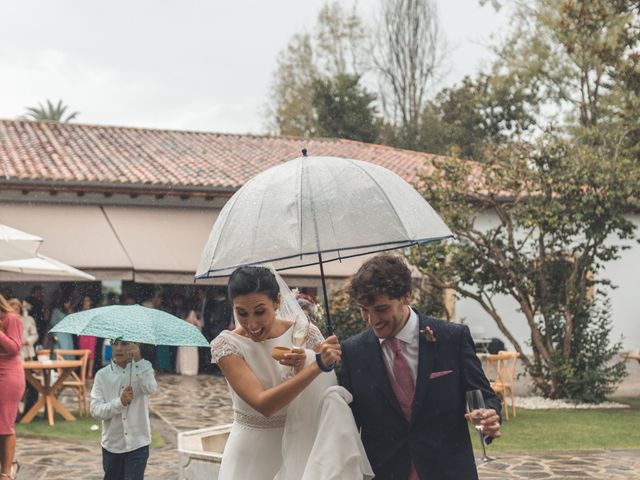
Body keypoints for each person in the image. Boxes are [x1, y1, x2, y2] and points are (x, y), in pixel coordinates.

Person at [340, 254, 502, 480]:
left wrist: (489, 417)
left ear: (406, 297)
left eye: (381, 309)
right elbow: (347, 424)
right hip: (385, 472)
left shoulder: (452, 338)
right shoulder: (351, 352)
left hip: (448, 471)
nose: (372, 320)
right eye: (364, 310)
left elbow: (485, 397)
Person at [210, 266, 372, 480]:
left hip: (300, 445)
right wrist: (316, 366)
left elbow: (325, 391)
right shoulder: (227, 345)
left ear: (277, 301)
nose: (252, 323)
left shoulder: (306, 334)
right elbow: (264, 404)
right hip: (250, 455)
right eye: (242, 313)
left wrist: (310, 364)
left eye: (260, 311)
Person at [90, 338, 157, 480]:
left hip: (138, 444)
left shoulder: (145, 368)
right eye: (115, 343)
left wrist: (138, 361)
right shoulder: (102, 375)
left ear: (136, 345)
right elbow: (95, 410)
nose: (119, 348)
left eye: (125, 343)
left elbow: (151, 388)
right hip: (112, 445)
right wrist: (119, 403)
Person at [0, 294, 25, 479]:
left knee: (5, 425)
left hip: (8, 376)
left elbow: (15, 347)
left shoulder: (11, 318)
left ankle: (6, 473)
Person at [77, 295, 98, 378]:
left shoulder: (93, 312)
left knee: (91, 353)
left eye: (88, 300)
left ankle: (89, 372)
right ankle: (83, 371)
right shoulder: (80, 312)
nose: (86, 302)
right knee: (82, 353)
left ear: (90, 302)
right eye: (85, 300)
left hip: (91, 334)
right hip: (82, 334)